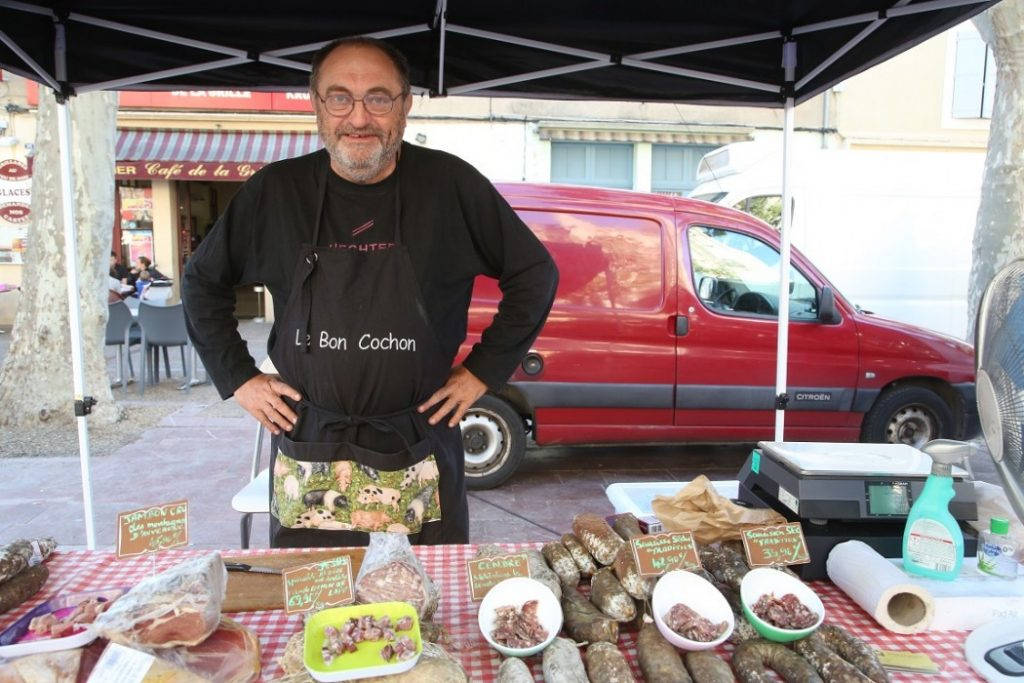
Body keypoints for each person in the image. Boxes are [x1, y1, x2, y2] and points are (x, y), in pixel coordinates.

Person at [182, 37, 558, 548]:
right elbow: (202, 281)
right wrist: (238, 377)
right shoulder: (275, 191)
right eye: (340, 98)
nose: (359, 117)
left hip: (418, 439)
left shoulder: (451, 186)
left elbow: (534, 274)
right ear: (316, 104)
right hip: (311, 443)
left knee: (425, 593)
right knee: (316, 591)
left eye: (378, 98)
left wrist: (483, 372)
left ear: (405, 105)